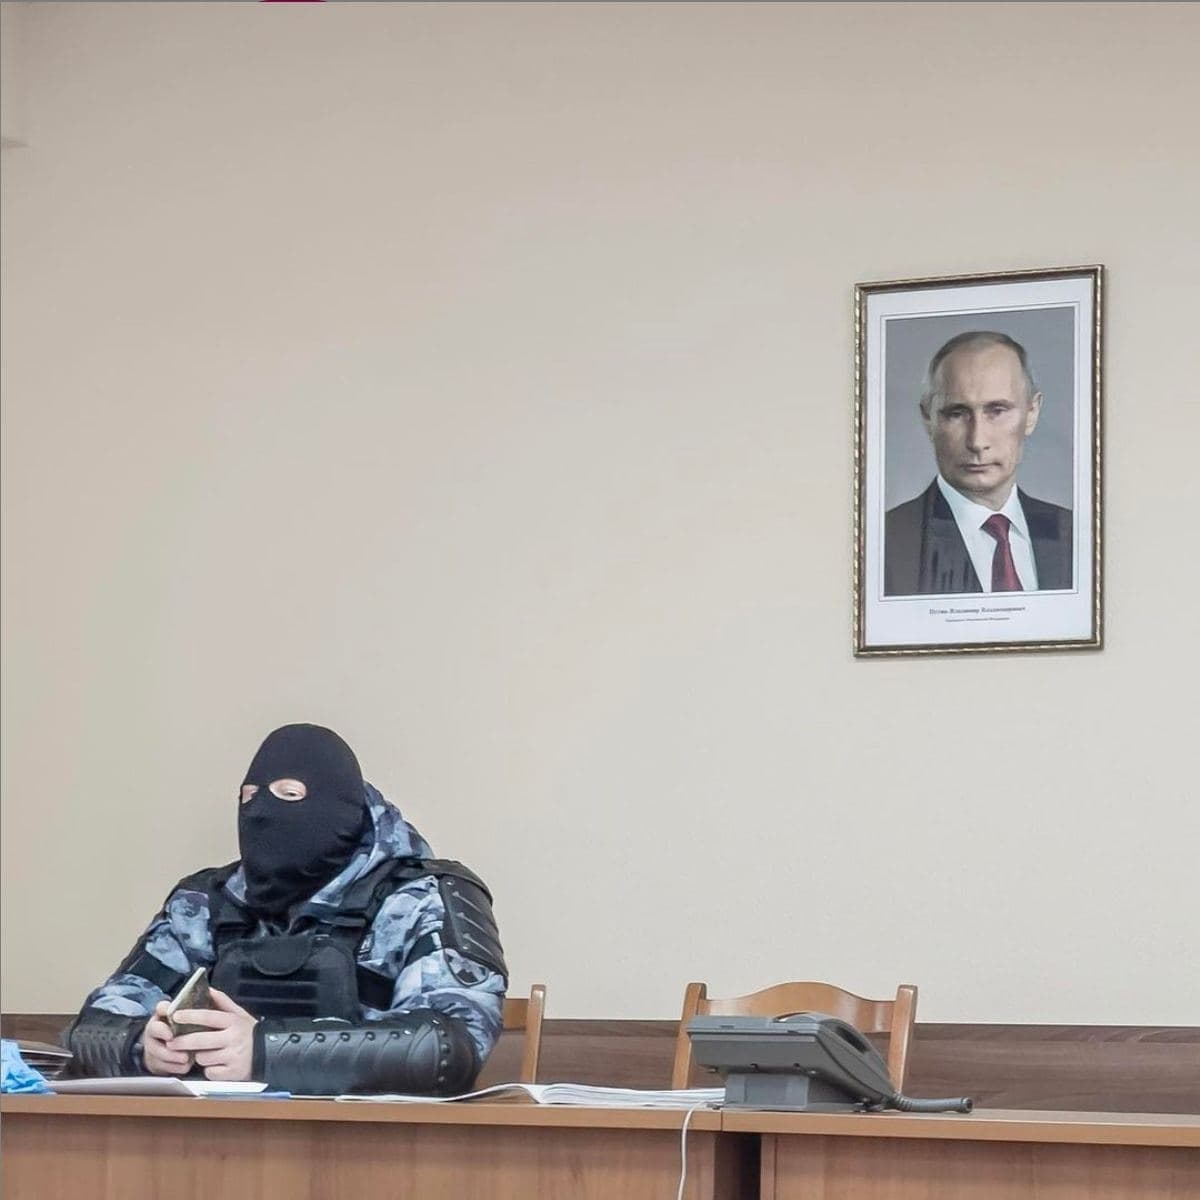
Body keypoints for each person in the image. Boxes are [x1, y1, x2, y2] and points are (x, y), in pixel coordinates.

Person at [64, 723, 507, 1096]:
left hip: (375, 1147)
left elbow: (449, 1047)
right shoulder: (204, 903)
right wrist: (142, 1046)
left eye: (289, 795)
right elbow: (88, 1029)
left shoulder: (424, 896)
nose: (261, 813)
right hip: (210, 1142)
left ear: (342, 808)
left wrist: (263, 1051)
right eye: (249, 797)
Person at [884, 330, 1073, 597]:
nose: (977, 441)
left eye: (997, 411)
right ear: (928, 420)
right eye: (956, 413)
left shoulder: (1076, 535)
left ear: (1032, 413)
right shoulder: (884, 542)